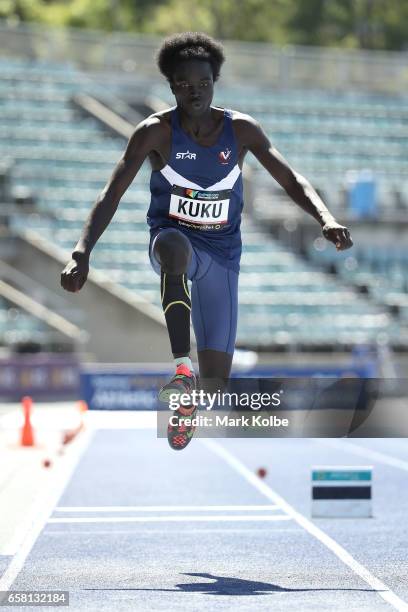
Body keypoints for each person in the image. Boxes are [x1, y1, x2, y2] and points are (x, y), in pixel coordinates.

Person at [60, 32, 353, 450]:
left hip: (222, 254)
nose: (194, 92)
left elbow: (290, 178)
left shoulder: (242, 131)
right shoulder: (154, 133)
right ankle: (181, 368)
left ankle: (191, 400)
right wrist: (81, 253)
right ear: (172, 86)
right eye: (184, 84)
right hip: (173, 238)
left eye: (203, 84)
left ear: (215, 82)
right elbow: (111, 193)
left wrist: (325, 218)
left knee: (216, 385)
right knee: (174, 251)